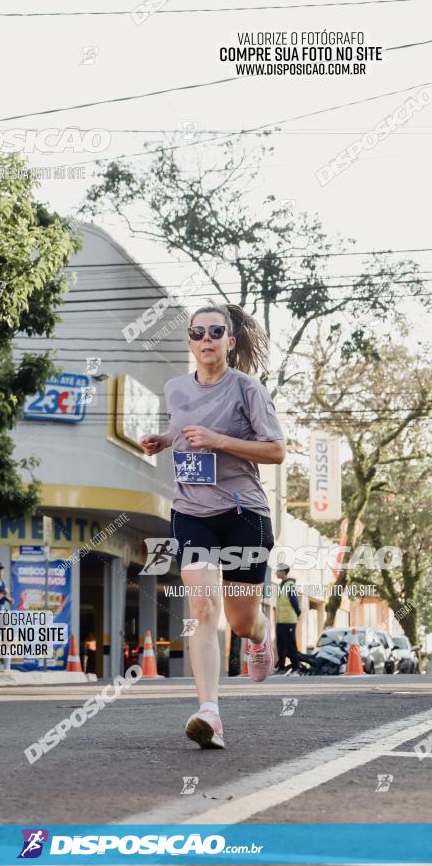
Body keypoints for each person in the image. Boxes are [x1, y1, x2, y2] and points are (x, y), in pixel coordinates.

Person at [140, 303, 285, 749]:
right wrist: (165, 440)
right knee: (203, 609)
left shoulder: (247, 390)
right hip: (192, 510)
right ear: (190, 341)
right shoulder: (175, 388)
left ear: (229, 341)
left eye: (215, 332)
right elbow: (183, 427)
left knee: (241, 622)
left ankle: (262, 636)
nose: (206, 339)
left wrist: (219, 441)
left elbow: (277, 450)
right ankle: (210, 714)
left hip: (244, 514)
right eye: (197, 333)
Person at [275, 562, 302, 673]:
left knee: (290, 644)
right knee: (280, 644)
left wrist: (298, 613)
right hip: (280, 621)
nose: (276, 573)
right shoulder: (279, 586)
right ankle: (281, 667)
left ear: (283, 572)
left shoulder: (290, 585)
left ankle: (296, 666)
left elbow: (294, 601)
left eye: (278, 571)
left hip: (289, 620)